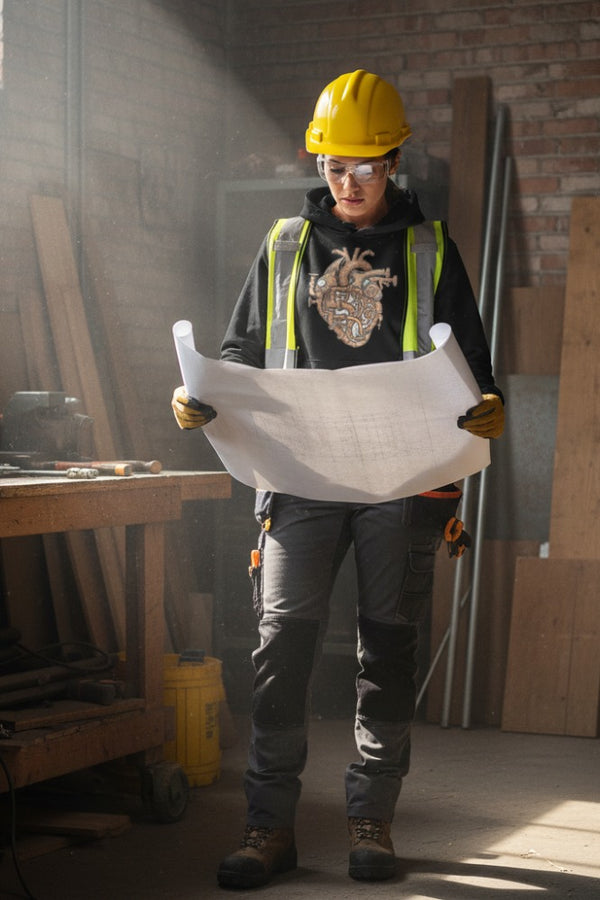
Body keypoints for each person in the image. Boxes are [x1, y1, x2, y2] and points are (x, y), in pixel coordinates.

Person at [172, 69, 504, 889]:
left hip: (403, 483)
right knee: (282, 642)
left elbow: (476, 374)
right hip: (299, 480)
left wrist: (488, 406)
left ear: (395, 163)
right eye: (333, 166)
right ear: (315, 163)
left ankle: (371, 820)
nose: (348, 183)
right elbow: (243, 353)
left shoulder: (432, 251)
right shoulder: (285, 245)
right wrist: (201, 396)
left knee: (385, 646)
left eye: (366, 165)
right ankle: (267, 828)